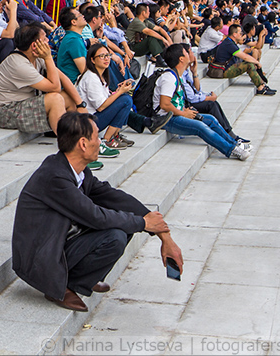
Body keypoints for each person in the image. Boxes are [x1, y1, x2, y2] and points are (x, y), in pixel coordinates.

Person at [11, 111, 181, 311]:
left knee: (123, 225)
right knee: (115, 235)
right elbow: (95, 217)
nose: (100, 142)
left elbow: (112, 197)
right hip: (40, 258)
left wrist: (162, 233)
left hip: (59, 239)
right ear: (83, 144)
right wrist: (144, 223)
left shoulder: (77, 170)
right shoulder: (55, 176)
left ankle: (84, 277)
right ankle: (64, 286)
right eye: (97, 138)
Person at [154, 44, 251, 160]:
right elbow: (164, 104)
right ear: (181, 59)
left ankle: (235, 144)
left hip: (177, 114)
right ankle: (231, 150)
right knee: (201, 127)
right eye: (186, 52)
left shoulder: (178, 75)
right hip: (167, 119)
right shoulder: (169, 78)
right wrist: (183, 113)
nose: (190, 54)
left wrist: (184, 110)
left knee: (211, 119)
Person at [0, 24, 89, 137]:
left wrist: (80, 105)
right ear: (34, 45)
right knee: (55, 98)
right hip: (6, 113)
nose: (48, 41)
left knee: (68, 96)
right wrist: (48, 58)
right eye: (44, 39)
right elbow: (55, 87)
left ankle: (73, 133)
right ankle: (67, 140)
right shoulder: (18, 64)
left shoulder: (34, 57)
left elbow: (63, 78)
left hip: (25, 105)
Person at [212, 24, 276, 96]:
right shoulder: (229, 44)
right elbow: (244, 57)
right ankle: (261, 88)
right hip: (223, 70)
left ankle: (262, 85)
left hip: (225, 67)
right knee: (249, 64)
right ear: (234, 34)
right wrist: (257, 62)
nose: (241, 35)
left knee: (251, 62)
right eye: (240, 33)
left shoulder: (229, 42)